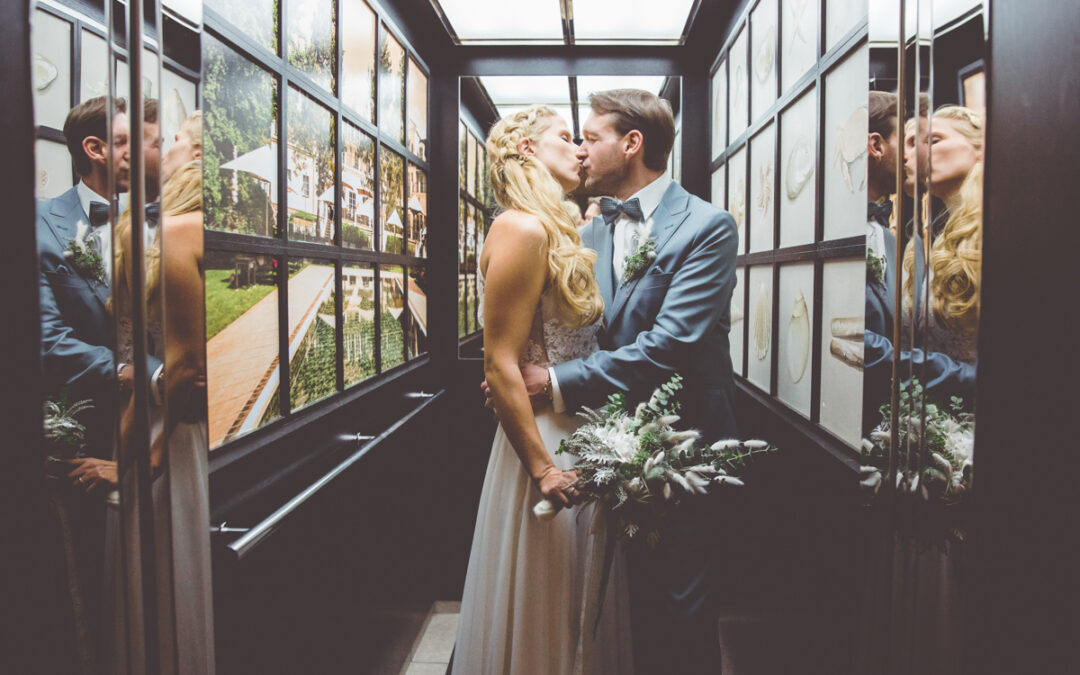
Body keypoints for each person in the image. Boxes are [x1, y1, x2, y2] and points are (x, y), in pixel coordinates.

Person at [495, 88, 739, 674]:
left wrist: (552, 380)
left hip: (683, 448)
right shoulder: (589, 231)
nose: (581, 150)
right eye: (572, 138)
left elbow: (671, 346)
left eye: (591, 137)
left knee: (680, 612)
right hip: (600, 447)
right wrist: (510, 370)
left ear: (632, 144)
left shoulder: (707, 226)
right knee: (609, 613)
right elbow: (583, 328)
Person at [451, 105, 634, 675]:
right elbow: (500, 362)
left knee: (582, 595)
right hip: (544, 443)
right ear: (528, 150)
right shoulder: (520, 229)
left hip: (580, 429)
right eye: (565, 137)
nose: (580, 149)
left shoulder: (554, 230)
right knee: (547, 595)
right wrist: (543, 470)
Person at [107, 112, 213, 675]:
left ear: (194, 157)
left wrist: (138, 451)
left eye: (173, 139)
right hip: (180, 423)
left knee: (162, 582)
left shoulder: (174, 233)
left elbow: (186, 362)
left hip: (169, 430)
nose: (164, 148)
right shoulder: (165, 228)